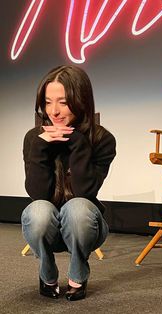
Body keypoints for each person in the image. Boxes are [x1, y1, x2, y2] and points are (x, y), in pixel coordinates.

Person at [21, 65, 116, 301]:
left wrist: (77, 142)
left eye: (63, 102)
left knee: (78, 208)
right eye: (48, 101)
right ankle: (47, 274)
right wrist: (41, 148)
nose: (54, 111)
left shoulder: (102, 139)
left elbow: (85, 191)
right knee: (38, 210)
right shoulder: (34, 138)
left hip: (84, 226)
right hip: (48, 224)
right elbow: (37, 193)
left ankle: (78, 276)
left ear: (81, 99)